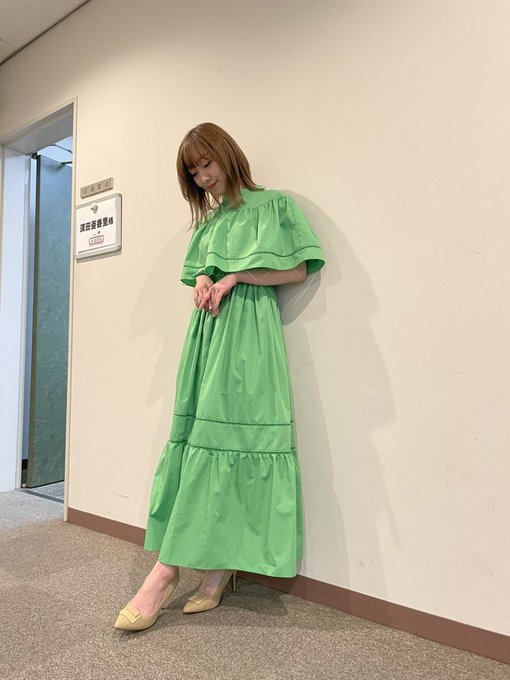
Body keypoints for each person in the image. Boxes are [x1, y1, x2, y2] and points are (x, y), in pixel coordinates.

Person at [114, 122, 325, 631]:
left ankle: (166, 573)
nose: (202, 177)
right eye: (193, 171)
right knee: (200, 442)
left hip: (249, 336)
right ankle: (213, 571)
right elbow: (200, 271)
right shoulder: (209, 224)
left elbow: (298, 270)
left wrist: (235, 276)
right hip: (207, 336)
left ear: (227, 155)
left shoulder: (273, 205)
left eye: (206, 164)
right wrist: (205, 279)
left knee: (230, 441)